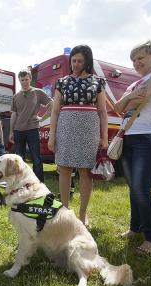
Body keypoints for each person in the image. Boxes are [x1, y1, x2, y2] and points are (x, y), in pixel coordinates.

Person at [114, 40, 151, 255]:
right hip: (129, 136)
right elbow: (118, 108)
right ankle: (135, 228)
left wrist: (130, 100)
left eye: (140, 58)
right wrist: (130, 97)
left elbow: (147, 95)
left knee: (141, 187)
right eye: (133, 60)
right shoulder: (132, 85)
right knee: (133, 187)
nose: (136, 63)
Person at [48, 45, 108, 227]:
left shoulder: (97, 82)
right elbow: (55, 111)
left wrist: (104, 137)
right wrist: (52, 135)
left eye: (80, 61)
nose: (75, 64)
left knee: (85, 171)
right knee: (64, 169)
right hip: (65, 129)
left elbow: (103, 112)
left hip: (89, 130)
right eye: (73, 60)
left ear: (87, 62)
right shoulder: (62, 82)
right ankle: (65, 212)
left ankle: (82, 213)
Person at [9, 69, 53, 182]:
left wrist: (42, 118)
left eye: (26, 79)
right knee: (19, 159)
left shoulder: (38, 92)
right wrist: (11, 131)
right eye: (22, 80)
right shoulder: (15, 96)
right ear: (19, 80)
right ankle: (21, 183)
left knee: (36, 159)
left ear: (30, 79)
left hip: (32, 130)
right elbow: (14, 114)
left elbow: (52, 104)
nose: (24, 82)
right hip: (18, 131)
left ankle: (38, 183)